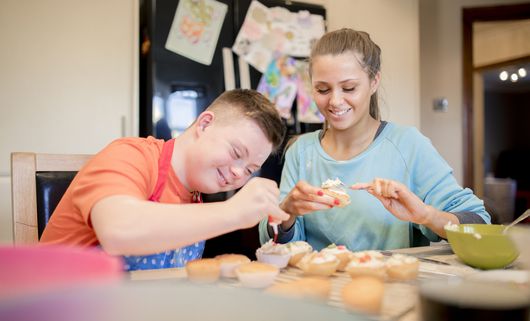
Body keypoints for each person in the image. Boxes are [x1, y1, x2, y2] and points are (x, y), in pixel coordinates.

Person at [258, 28, 490, 251]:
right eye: (323, 90)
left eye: (349, 88)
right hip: (317, 287)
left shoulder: (408, 145)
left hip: (391, 289)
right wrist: (286, 213)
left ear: (374, 81)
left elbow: (480, 224)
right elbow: (276, 244)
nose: (335, 101)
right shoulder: (301, 151)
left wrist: (426, 216)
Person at [41, 89, 289, 270]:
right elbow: (118, 230)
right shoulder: (131, 155)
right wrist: (233, 211)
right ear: (204, 124)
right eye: (236, 153)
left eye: (249, 170)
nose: (238, 173)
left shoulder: (195, 194)